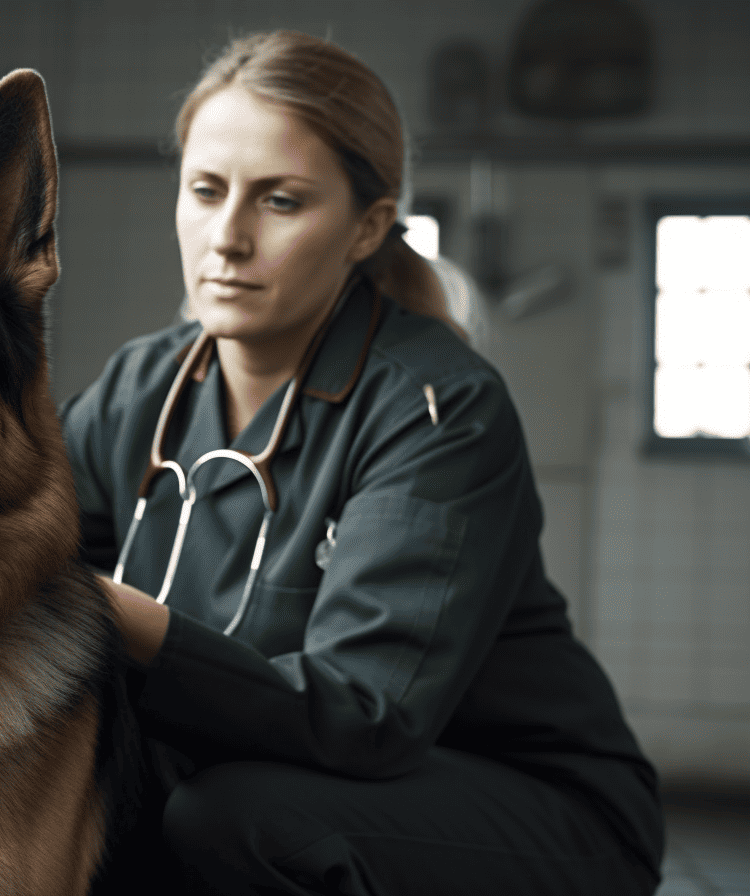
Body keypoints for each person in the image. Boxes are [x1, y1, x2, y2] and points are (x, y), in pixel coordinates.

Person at [61, 30, 663, 896]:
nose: (226, 238)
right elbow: (21, 538)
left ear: (367, 227)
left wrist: (122, 623)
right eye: (205, 190)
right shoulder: (140, 387)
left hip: (533, 808)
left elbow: (366, 715)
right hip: (300, 778)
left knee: (235, 823)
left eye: (280, 201)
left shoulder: (437, 407)